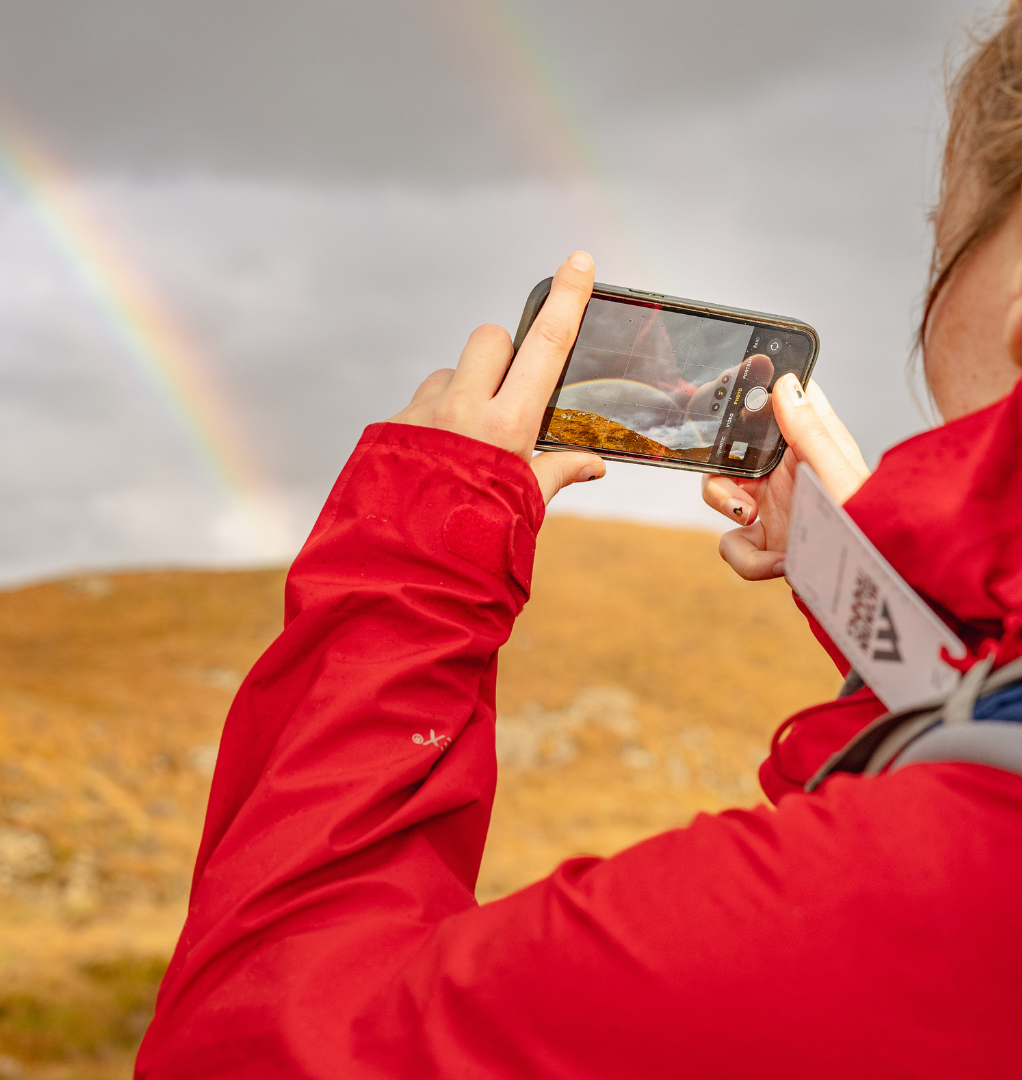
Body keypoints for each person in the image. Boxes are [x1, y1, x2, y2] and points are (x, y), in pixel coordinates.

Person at [137, 5, 1022, 1077]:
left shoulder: (944, 877)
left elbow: (251, 1047)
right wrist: (905, 618)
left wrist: (416, 553)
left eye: (946, 228)